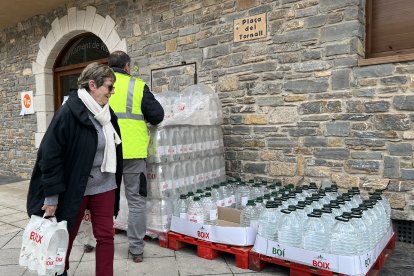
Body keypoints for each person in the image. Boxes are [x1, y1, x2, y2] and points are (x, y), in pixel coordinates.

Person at [26, 62, 123, 276]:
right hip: (75, 188)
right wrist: (51, 198)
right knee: (65, 236)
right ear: (92, 85)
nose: (112, 92)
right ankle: (60, 272)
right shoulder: (68, 113)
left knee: (106, 236)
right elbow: (49, 157)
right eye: (109, 87)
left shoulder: (107, 113)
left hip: (105, 185)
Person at [108, 51, 164, 263]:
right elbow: (157, 116)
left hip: (106, 154)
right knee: (136, 201)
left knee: (100, 200)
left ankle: (91, 242)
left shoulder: (99, 85)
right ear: (127, 67)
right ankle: (136, 250)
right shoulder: (137, 86)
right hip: (133, 153)